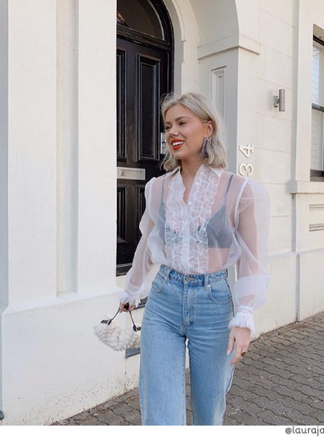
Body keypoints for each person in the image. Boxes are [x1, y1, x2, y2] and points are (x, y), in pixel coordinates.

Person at [118, 92, 271, 426]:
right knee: (160, 413)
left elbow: (252, 259)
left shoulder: (240, 190)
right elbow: (148, 241)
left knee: (208, 412)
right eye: (168, 125)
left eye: (182, 122)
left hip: (214, 304)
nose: (172, 131)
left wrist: (244, 316)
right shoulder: (157, 187)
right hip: (163, 301)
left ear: (208, 128)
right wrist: (132, 290)